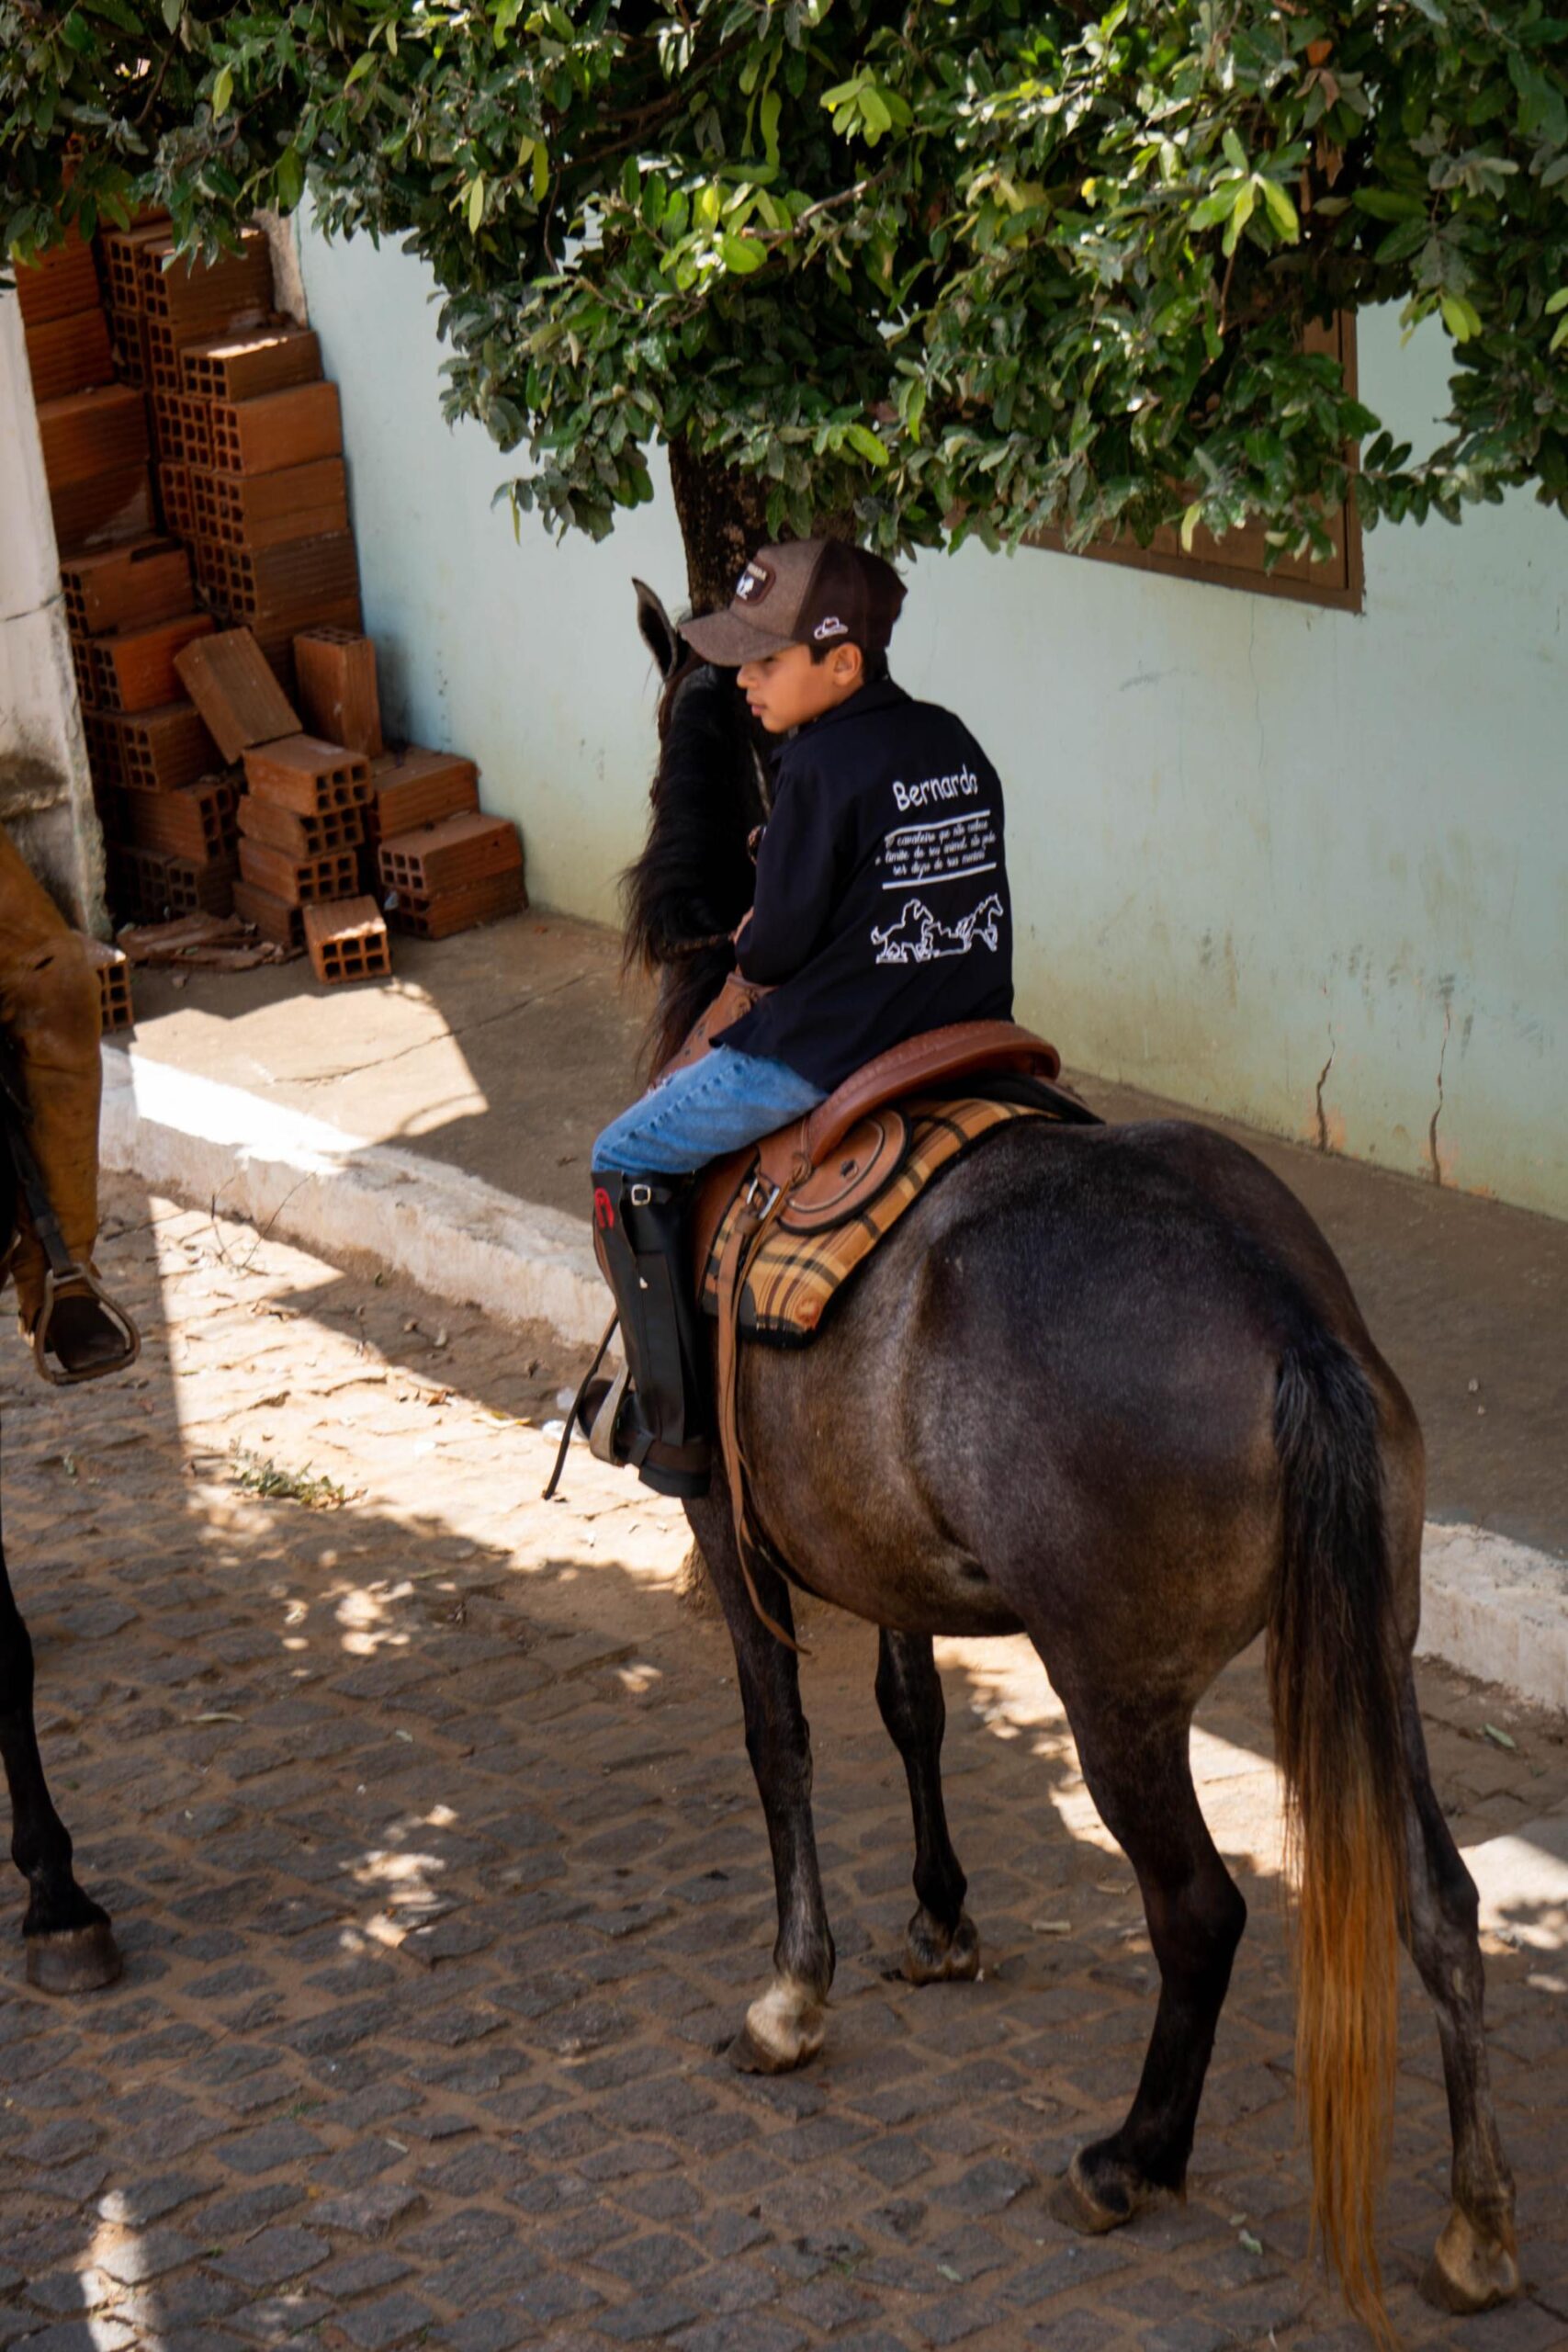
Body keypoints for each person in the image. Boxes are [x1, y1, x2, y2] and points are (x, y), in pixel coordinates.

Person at [588, 537, 1015, 1496]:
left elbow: (772, 954)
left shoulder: (816, 767)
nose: (744, 680)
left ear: (843, 664)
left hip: (833, 1051)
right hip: (974, 1028)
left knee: (625, 1156)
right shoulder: (953, 741)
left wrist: (756, 923)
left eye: (766, 661)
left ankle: (672, 1425)